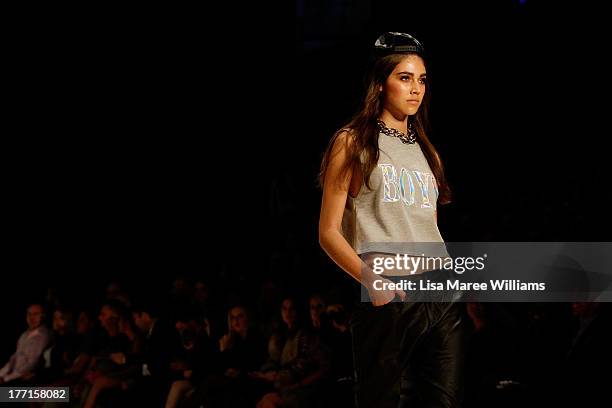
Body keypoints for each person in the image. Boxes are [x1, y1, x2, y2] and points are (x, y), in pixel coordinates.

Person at [318, 32, 468, 407]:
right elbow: (328, 232)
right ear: (380, 82)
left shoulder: (426, 150)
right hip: (389, 289)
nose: (415, 89)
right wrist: (373, 281)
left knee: (443, 402)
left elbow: (427, 225)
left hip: (440, 290)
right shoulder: (352, 141)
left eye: (421, 80)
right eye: (404, 78)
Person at [0, 303, 51, 384]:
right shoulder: (24, 335)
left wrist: (7, 378)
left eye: (35, 314)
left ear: (43, 316)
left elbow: (33, 363)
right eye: (29, 314)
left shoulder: (43, 335)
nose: (31, 318)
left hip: (26, 381)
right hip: (12, 377)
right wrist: (1, 374)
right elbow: (15, 357)